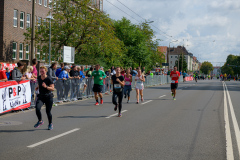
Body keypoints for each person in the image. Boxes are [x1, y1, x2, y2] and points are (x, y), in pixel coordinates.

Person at [34, 66, 55, 130]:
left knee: (48, 111)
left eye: (43, 71)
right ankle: (40, 121)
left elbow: (52, 88)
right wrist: (38, 87)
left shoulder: (49, 79)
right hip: (41, 96)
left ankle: (50, 124)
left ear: (46, 71)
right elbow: (39, 83)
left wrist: (46, 87)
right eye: (40, 71)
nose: (42, 73)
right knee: (37, 108)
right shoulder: (39, 78)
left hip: (48, 97)